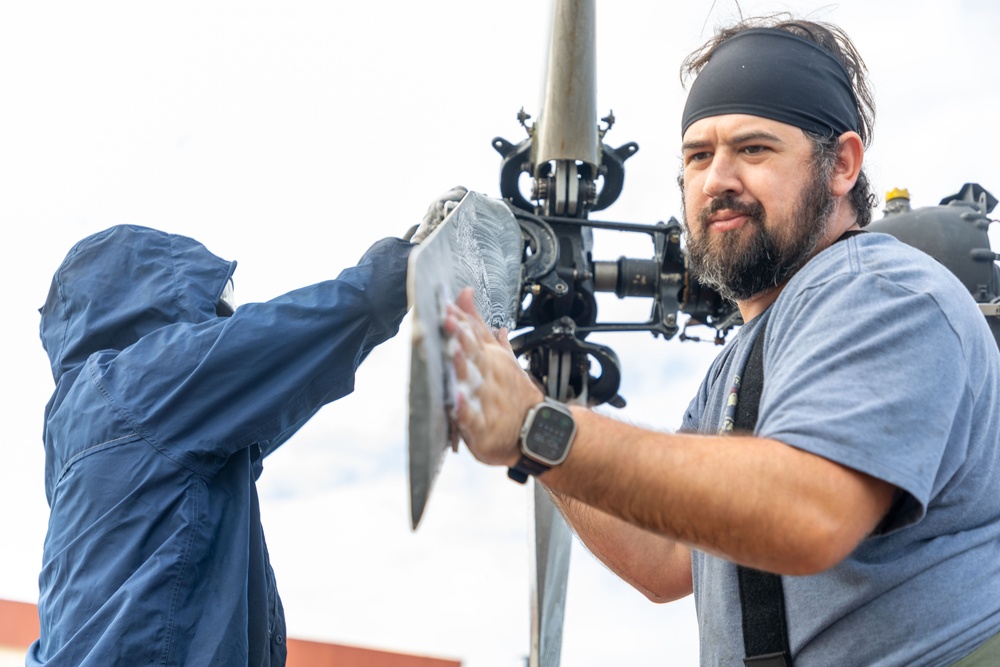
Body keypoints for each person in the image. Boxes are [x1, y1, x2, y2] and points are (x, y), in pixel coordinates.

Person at [445, 17, 1000, 667]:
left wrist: (538, 424)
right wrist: (529, 418)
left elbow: (807, 512)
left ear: (842, 163)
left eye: (755, 149)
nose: (717, 180)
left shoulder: (886, 292)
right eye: (698, 155)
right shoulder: (741, 361)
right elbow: (665, 558)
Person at [31, 187, 465, 666]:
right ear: (147, 304)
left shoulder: (88, 421)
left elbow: (278, 389)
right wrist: (407, 268)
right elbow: (290, 338)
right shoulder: (142, 384)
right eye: (213, 308)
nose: (220, 324)